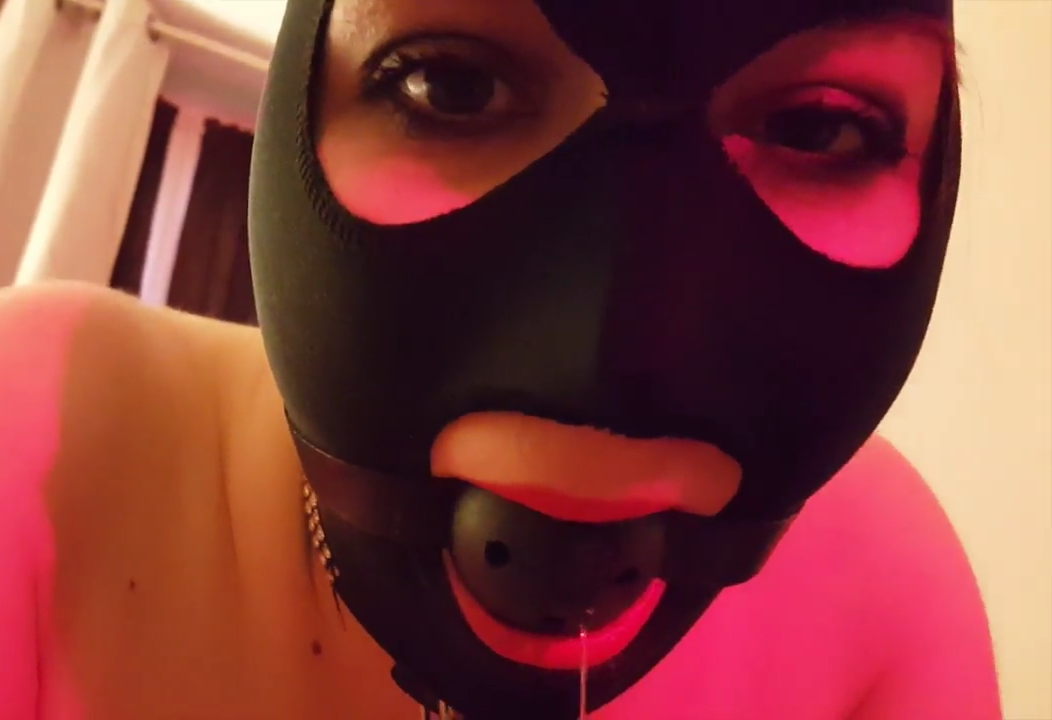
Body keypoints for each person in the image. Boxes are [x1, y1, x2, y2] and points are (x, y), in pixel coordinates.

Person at [0, 0, 1003, 717]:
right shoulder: (39, 443)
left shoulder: (886, 597)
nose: (617, 356)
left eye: (817, 129)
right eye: (451, 84)